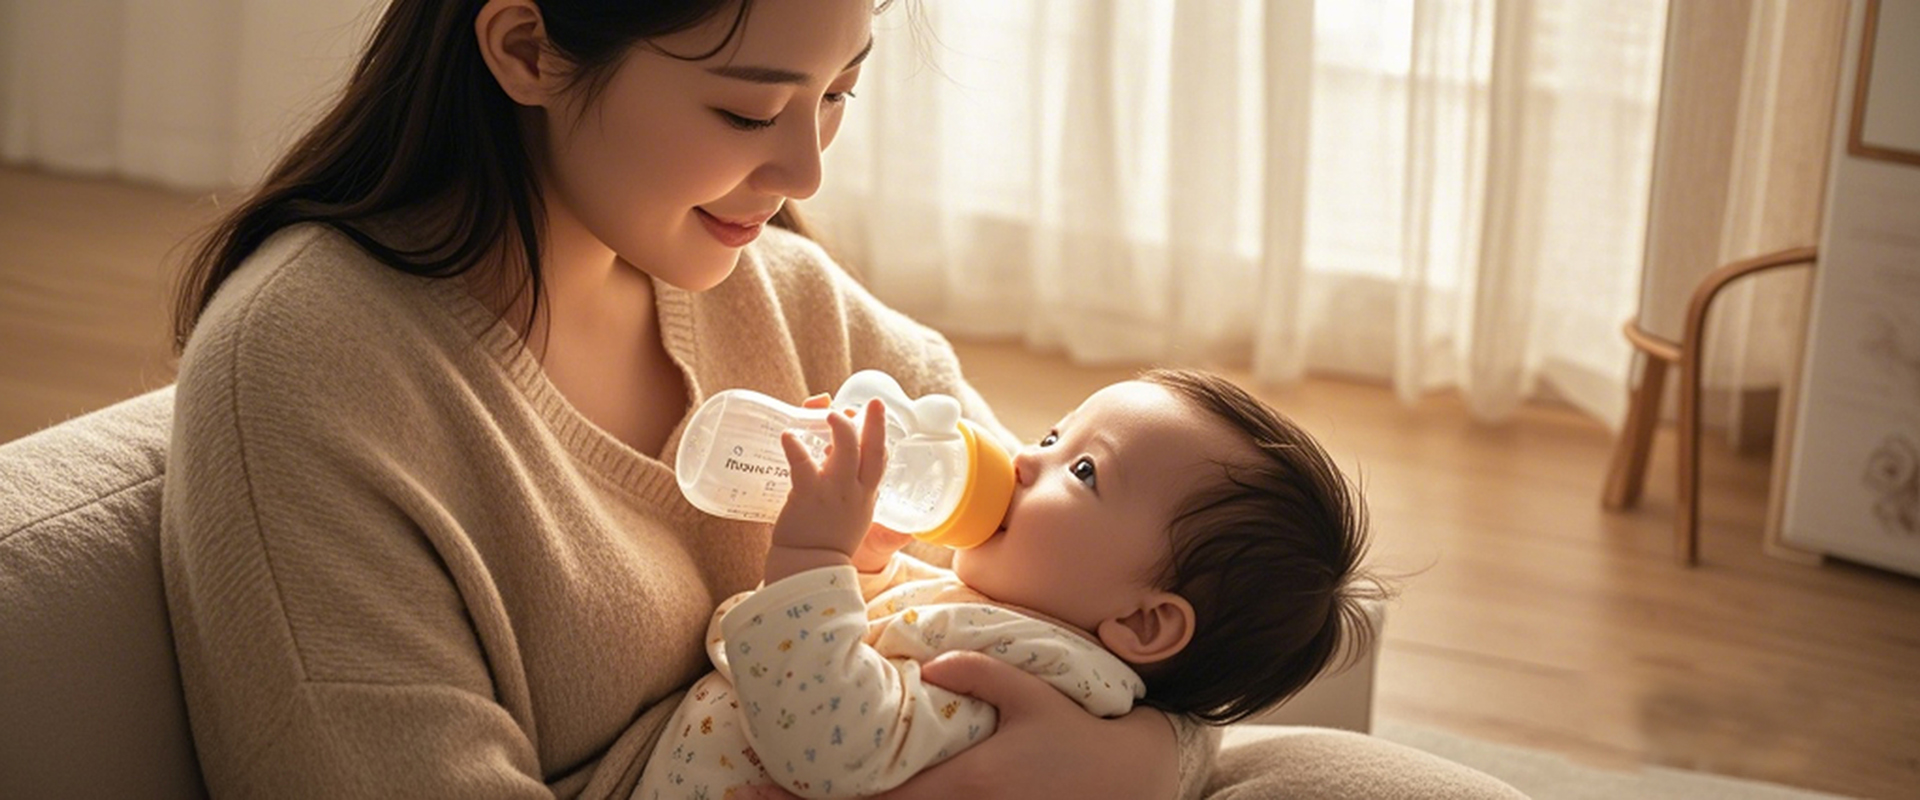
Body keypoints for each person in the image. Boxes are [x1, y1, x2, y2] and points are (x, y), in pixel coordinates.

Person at [160, 0, 1524, 797]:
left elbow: (1062, 569)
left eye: (842, 94)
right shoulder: (312, 370)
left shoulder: (766, 285)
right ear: (524, 49)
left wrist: (1140, 762)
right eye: (753, 112)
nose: (806, 169)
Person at [636, 369, 1384, 799]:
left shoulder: (1026, 675)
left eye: (1083, 471)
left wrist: (813, 553)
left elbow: (836, 739)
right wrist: (867, 565)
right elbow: (888, 640)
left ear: (1145, 623)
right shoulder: (1022, 623)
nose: (1023, 459)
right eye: (1054, 436)